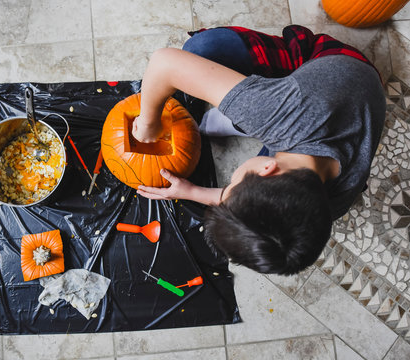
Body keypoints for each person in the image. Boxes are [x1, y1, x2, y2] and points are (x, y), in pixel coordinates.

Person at [132, 26, 386, 275]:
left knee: (248, 110)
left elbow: (262, 209)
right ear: (267, 167)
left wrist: (191, 191)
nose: (230, 185)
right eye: (232, 184)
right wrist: (147, 123)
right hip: (331, 61)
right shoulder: (278, 113)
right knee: (201, 49)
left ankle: (238, 121)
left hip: (354, 95)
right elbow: (164, 62)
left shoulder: (324, 206)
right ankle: (238, 120)